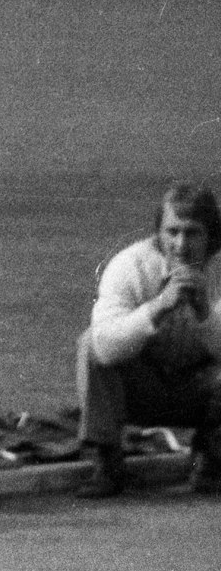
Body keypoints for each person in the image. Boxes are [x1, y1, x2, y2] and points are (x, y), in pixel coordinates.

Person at [75, 183, 221, 498]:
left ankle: (213, 459)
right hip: (141, 389)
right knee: (91, 344)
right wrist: (157, 308)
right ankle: (107, 462)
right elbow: (104, 347)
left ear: (211, 236)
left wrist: (205, 315)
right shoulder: (129, 266)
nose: (181, 245)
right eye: (172, 232)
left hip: (202, 392)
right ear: (159, 234)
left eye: (192, 233)